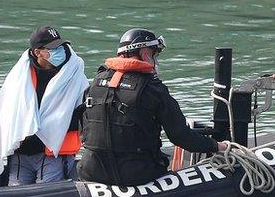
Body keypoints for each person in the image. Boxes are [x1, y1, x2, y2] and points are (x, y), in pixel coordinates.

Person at [78, 28, 227, 186]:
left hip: (92, 172)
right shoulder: (153, 89)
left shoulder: (95, 83)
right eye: (154, 54)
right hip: (137, 175)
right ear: (145, 54)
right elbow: (180, 136)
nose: (155, 61)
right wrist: (217, 146)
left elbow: (84, 126)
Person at [0, 26, 89, 188]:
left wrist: (54, 123)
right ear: (37, 52)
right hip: (22, 153)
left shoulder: (74, 73)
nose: (60, 51)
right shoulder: (19, 75)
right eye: (53, 48)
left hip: (54, 152)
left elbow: (84, 113)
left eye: (60, 46)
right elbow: (5, 111)